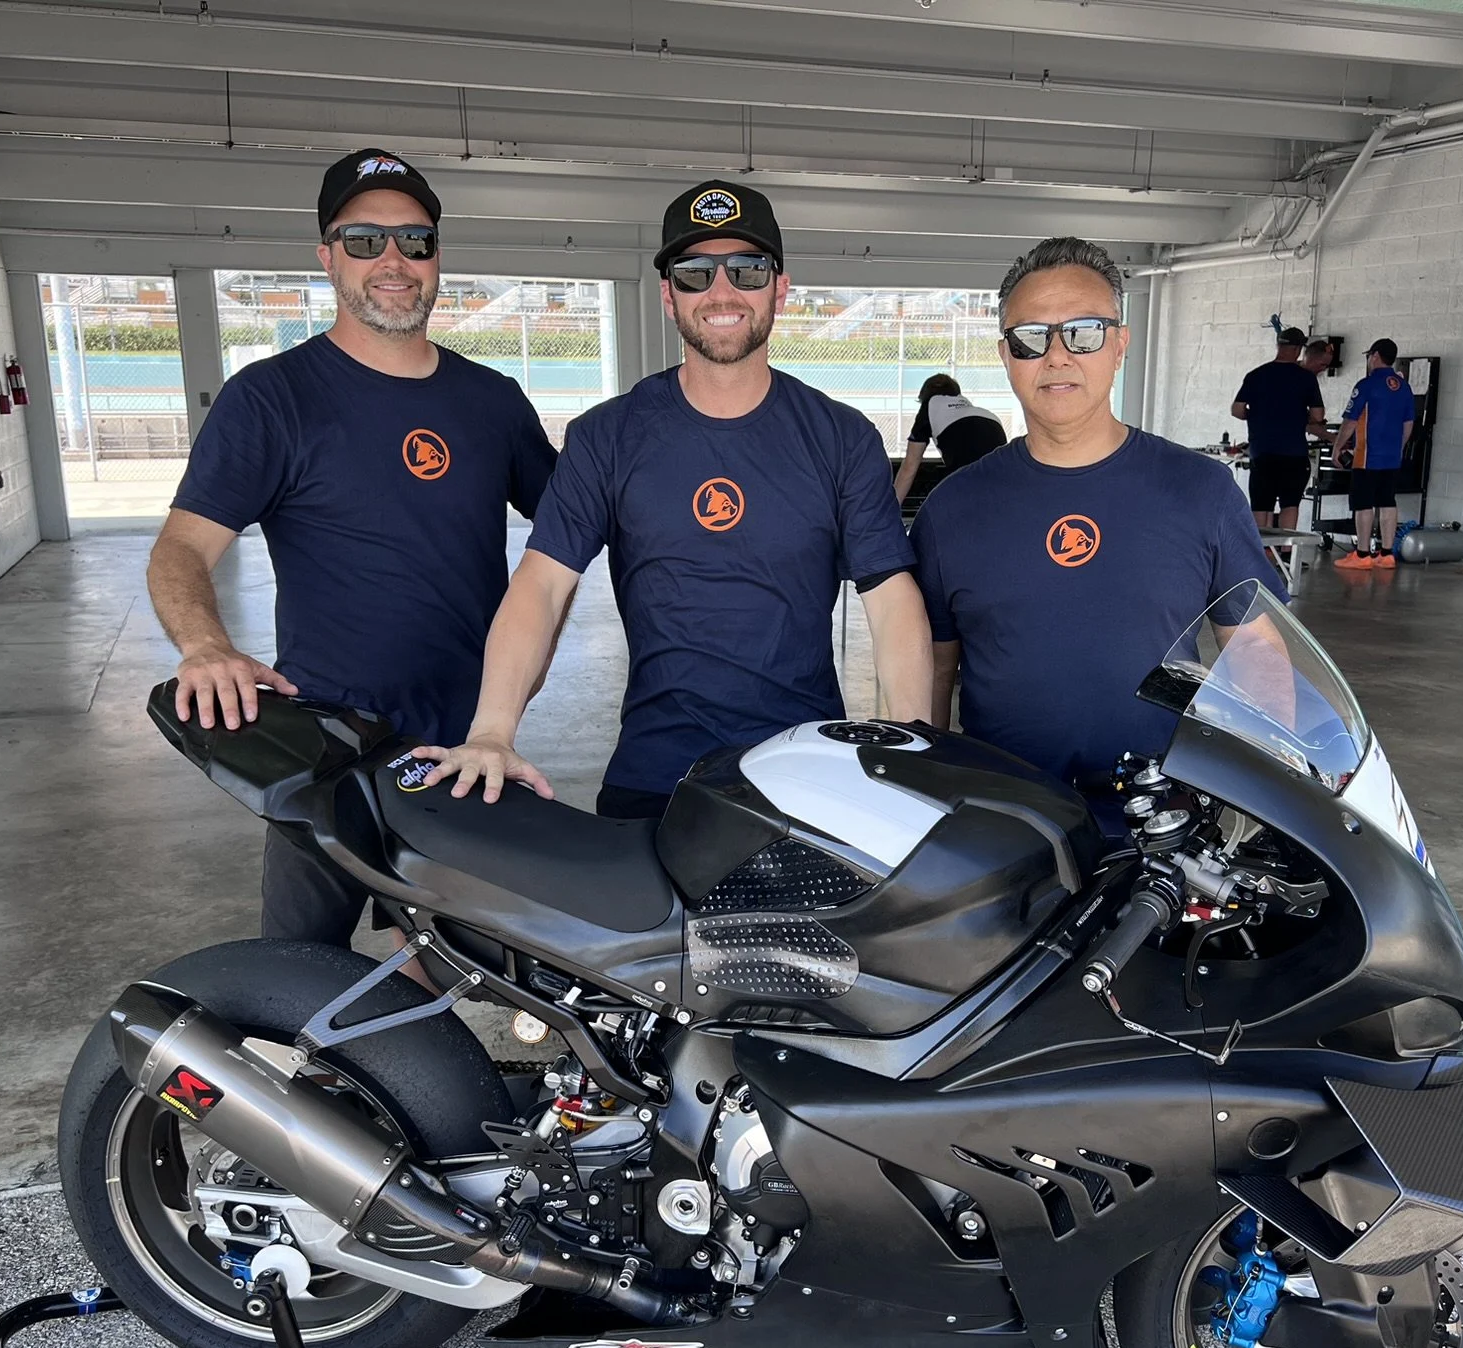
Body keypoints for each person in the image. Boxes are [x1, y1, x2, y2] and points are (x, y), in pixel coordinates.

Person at [415, 180, 934, 818]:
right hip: (655, 777)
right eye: (695, 272)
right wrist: (492, 730)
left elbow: (890, 601)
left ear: (780, 286)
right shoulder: (606, 436)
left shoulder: (841, 437)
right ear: (668, 295)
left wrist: (909, 753)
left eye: (747, 269)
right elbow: (541, 584)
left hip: (807, 777)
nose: (722, 291)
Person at [148, 147, 557, 947]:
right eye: (365, 241)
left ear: (439, 255)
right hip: (329, 747)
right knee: (299, 976)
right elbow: (183, 547)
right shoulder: (273, 398)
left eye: (414, 241)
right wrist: (204, 647)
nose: (394, 261)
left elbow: (578, 523)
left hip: (466, 745)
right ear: (327, 256)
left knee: (458, 966)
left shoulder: (491, 401)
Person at [909, 236, 1286, 811]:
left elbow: (1258, 656)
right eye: (1031, 338)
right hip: (1004, 824)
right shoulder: (951, 509)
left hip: (1164, 830)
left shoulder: (1201, 491)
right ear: (1007, 355)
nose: (1057, 356)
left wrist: (1273, 803)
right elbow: (934, 672)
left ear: (1120, 345)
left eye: (1084, 332)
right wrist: (925, 795)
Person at [1331, 338, 1418, 570]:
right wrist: (1398, 447)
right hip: (1391, 456)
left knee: (1363, 503)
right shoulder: (1404, 387)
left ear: (1376, 356)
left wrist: (1337, 446)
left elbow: (1351, 420)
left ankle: (1361, 555)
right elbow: (1408, 423)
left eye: (1369, 355)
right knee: (1387, 501)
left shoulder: (1366, 385)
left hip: (1366, 455)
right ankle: (1386, 554)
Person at [1230, 326, 1327, 532]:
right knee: (1289, 505)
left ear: (1278, 345)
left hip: (1262, 452)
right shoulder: (1306, 378)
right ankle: (1286, 555)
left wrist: (1257, 416)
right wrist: (1300, 417)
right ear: (1298, 349)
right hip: (1294, 454)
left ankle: (1261, 554)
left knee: (1261, 506)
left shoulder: (1255, 375)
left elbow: (1237, 410)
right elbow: (1318, 416)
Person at [893, 373, 1008, 502]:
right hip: (1003, 482)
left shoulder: (931, 405)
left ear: (924, 397)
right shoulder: (987, 414)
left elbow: (910, 465)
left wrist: (889, 511)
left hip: (969, 484)